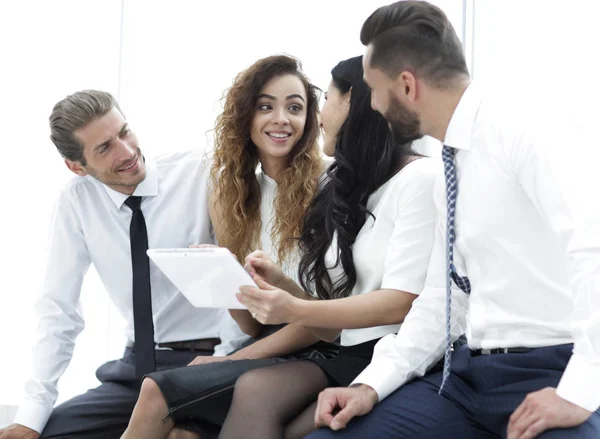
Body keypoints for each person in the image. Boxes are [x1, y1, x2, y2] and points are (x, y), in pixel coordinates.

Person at [308, 2, 600, 438]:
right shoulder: (448, 160)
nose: (370, 106)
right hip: (464, 376)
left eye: (372, 89)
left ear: (406, 86)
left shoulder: (526, 126)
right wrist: (372, 383)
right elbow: (444, 298)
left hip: (556, 368)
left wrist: (580, 390)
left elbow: (592, 248)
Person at [216, 54, 439, 439]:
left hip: (388, 353)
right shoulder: (360, 187)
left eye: (327, 100)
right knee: (251, 396)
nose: (317, 118)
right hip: (349, 348)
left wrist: (295, 306)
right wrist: (282, 286)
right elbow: (330, 315)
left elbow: (403, 301)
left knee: (264, 399)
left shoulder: (420, 179)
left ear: (356, 103)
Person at [0, 90, 246, 439]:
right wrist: (30, 415)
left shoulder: (199, 174)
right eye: (104, 148)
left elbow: (242, 278)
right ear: (77, 166)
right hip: (135, 370)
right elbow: (58, 310)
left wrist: (226, 361)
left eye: (124, 132)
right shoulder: (76, 201)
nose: (127, 152)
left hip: (208, 360)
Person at [120, 55, 336, 439]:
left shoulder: (328, 186)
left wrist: (233, 359)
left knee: (156, 390)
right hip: (269, 344)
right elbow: (254, 323)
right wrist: (222, 278)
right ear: (245, 116)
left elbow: (324, 322)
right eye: (265, 106)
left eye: (295, 107)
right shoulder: (233, 193)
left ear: (309, 119)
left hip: (316, 347)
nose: (281, 118)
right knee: (180, 436)